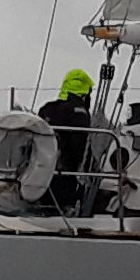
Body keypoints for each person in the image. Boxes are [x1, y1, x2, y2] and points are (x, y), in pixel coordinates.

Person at [37, 67, 98, 214]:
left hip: (40, 175)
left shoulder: (46, 109)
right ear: (85, 93)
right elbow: (81, 149)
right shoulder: (79, 114)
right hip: (65, 178)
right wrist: (94, 168)